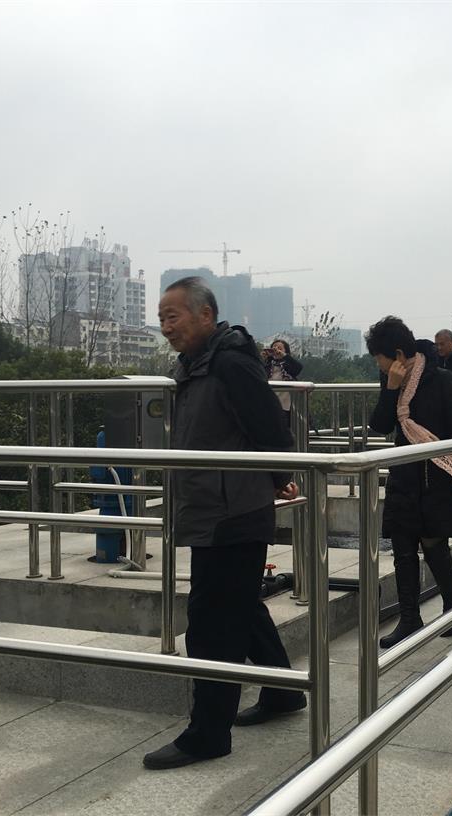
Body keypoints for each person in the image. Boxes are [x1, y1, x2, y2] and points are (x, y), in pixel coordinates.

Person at [143, 277, 305, 771]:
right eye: (161, 318)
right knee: (240, 606)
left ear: (206, 315)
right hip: (214, 505)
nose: (166, 326)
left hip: (232, 511)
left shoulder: (230, 363)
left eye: (173, 316)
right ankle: (283, 692)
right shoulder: (196, 365)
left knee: (212, 623)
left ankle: (208, 734)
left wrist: (280, 479)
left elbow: (270, 428)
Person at [367, 317, 452, 648]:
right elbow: (380, 425)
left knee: (434, 545)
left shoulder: (441, 379)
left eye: (380, 359)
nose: (379, 365)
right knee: (402, 549)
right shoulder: (391, 381)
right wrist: (391, 390)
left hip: (436, 477)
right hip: (403, 474)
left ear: (398, 354)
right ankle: (409, 618)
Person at [265, 338, 303, 422]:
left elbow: (298, 368)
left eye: (280, 348)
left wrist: (283, 355)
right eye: (274, 348)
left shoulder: (288, 365)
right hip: (269, 403)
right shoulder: (268, 366)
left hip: (286, 404)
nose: (276, 350)